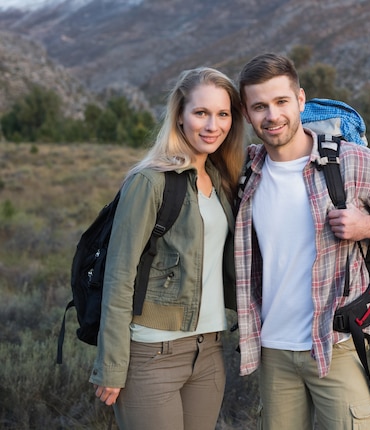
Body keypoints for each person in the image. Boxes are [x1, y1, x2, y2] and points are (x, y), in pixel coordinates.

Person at [235, 53, 370, 430]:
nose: (272, 116)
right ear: (247, 113)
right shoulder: (247, 171)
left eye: (281, 102)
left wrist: (368, 226)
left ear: (300, 100)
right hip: (273, 350)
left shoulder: (352, 161)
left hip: (336, 343)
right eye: (259, 106)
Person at [90, 67, 244, 430]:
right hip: (151, 355)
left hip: (208, 353)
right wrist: (111, 364)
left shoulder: (222, 181)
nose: (212, 125)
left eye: (223, 114)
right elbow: (119, 275)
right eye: (201, 113)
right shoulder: (150, 181)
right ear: (179, 116)